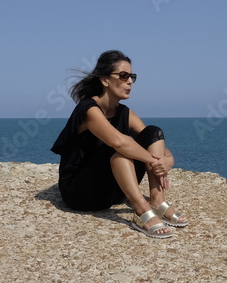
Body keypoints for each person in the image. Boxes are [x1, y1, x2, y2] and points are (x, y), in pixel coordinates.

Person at [50, 50, 188, 239]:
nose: (130, 81)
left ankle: (157, 201)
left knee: (153, 131)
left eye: (132, 76)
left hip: (112, 192)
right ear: (104, 80)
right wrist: (156, 161)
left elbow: (153, 140)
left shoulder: (124, 112)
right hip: (81, 193)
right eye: (123, 76)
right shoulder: (88, 109)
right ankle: (141, 212)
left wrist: (168, 160)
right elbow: (118, 141)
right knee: (121, 149)